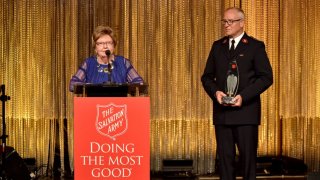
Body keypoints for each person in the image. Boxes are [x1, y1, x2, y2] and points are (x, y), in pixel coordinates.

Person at [201, 7, 273, 180]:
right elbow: (206, 77)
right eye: (224, 21)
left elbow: (266, 77)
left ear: (242, 23)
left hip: (246, 114)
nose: (226, 25)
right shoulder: (218, 46)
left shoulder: (255, 46)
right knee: (225, 163)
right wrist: (216, 93)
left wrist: (244, 97)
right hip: (223, 114)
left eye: (230, 21)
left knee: (248, 163)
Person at [69, 25, 143, 92]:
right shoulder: (89, 63)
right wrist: (89, 88)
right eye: (100, 43)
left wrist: (125, 88)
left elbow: (139, 83)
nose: (105, 47)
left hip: (119, 105)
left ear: (114, 46)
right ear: (95, 47)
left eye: (108, 43)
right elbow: (73, 84)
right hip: (93, 105)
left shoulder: (123, 62)